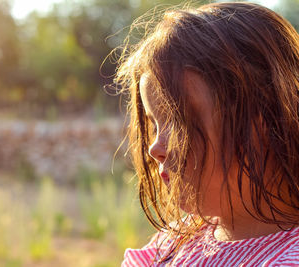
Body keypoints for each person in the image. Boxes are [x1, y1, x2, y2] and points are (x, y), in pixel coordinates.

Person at [114, 2, 299, 266]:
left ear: (264, 121)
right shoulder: (175, 240)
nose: (154, 148)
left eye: (179, 122)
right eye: (155, 125)